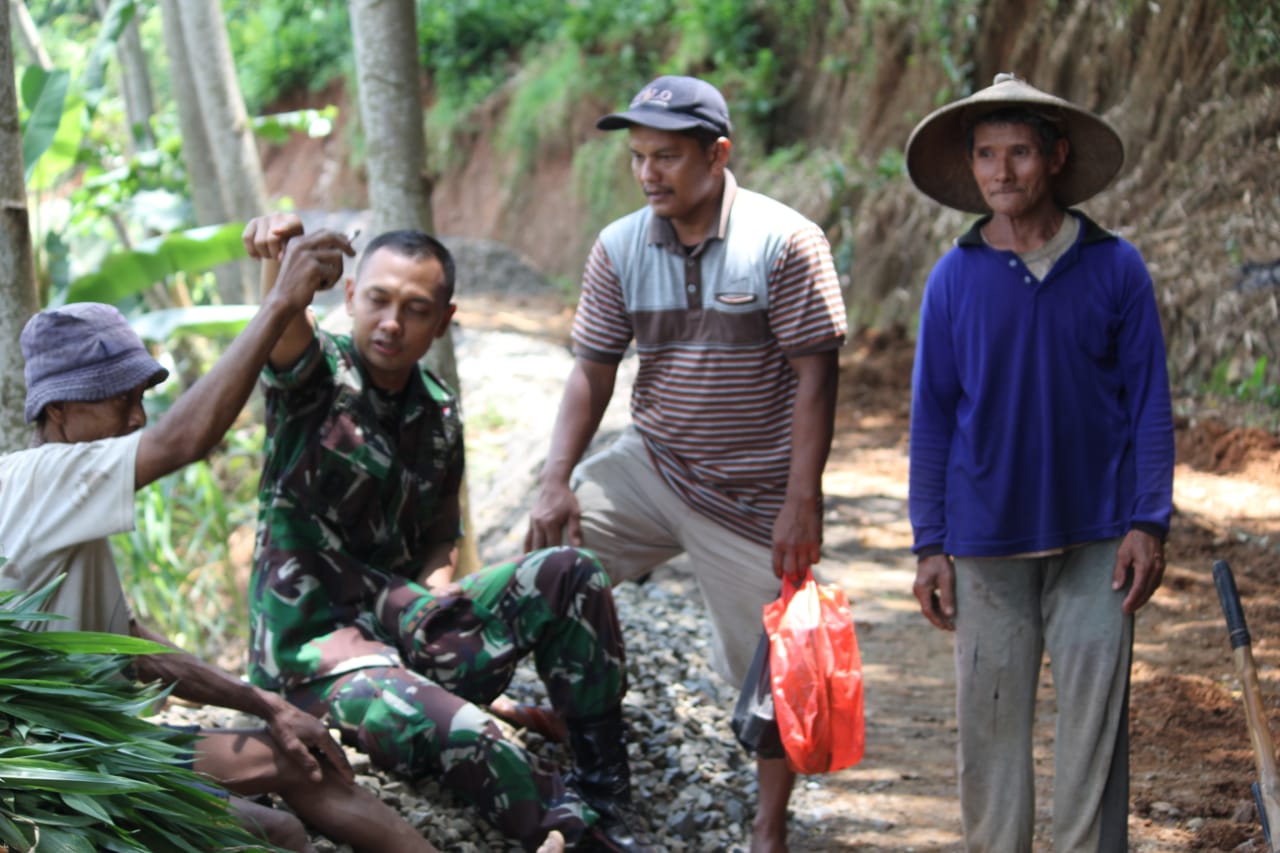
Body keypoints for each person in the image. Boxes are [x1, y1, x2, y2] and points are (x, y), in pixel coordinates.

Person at [0, 232, 440, 853]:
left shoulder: (68, 515)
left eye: (142, 400)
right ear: (60, 410)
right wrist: (280, 304)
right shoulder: (37, 479)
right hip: (48, 780)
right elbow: (184, 440)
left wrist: (268, 707)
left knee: (300, 757)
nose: (137, 420)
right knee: (277, 831)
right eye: (120, 402)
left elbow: (136, 649)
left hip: (99, 747)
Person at [241, 213, 651, 853]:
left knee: (570, 569)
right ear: (350, 296)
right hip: (316, 659)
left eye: (415, 309)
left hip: (399, 626)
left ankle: (605, 786)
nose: (391, 323)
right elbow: (283, 336)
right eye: (377, 299)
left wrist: (435, 616)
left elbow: (439, 538)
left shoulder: (437, 410)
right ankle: (576, 835)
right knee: (473, 735)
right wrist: (277, 262)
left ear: (444, 319)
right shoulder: (319, 377)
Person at [524, 75, 849, 853]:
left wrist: (801, 500)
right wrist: (555, 476)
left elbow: (817, 373)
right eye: (638, 157)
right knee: (548, 565)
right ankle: (572, 734)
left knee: (779, 668)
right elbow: (592, 369)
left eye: (666, 156)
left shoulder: (785, 241)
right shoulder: (619, 246)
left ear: (718, 154)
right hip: (654, 466)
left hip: (755, 496)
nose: (648, 174)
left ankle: (768, 829)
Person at [904, 73, 1175, 852]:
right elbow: (933, 421)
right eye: (987, 154)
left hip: (1099, 541)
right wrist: (930, 542)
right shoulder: (954, 279)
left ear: (1055, 157)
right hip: (987, 546)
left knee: (1094, 745)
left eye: (1019, 151)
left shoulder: (1115, 268)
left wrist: (1147, 521)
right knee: (989, 746)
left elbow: (1150, 402)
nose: (1002, 172)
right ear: (971, 165)